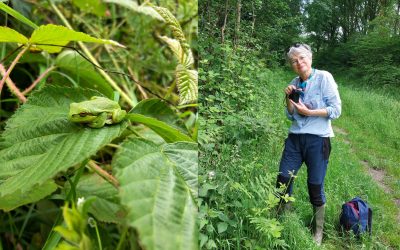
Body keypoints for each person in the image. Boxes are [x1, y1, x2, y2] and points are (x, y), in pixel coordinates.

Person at [276, 43, 342, 245]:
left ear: (310, 58)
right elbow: (290, 115)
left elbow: (336, 110)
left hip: (318, 139)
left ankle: (318, 232)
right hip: (295, 139)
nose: (299, 63)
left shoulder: (324, 77)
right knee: (282, 179)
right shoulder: (294, 82)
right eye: (294, 61)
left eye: (302, 58)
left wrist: (311, 113)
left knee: (315, 185)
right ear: (291, 65)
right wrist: (288, 97)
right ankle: (281, 221)